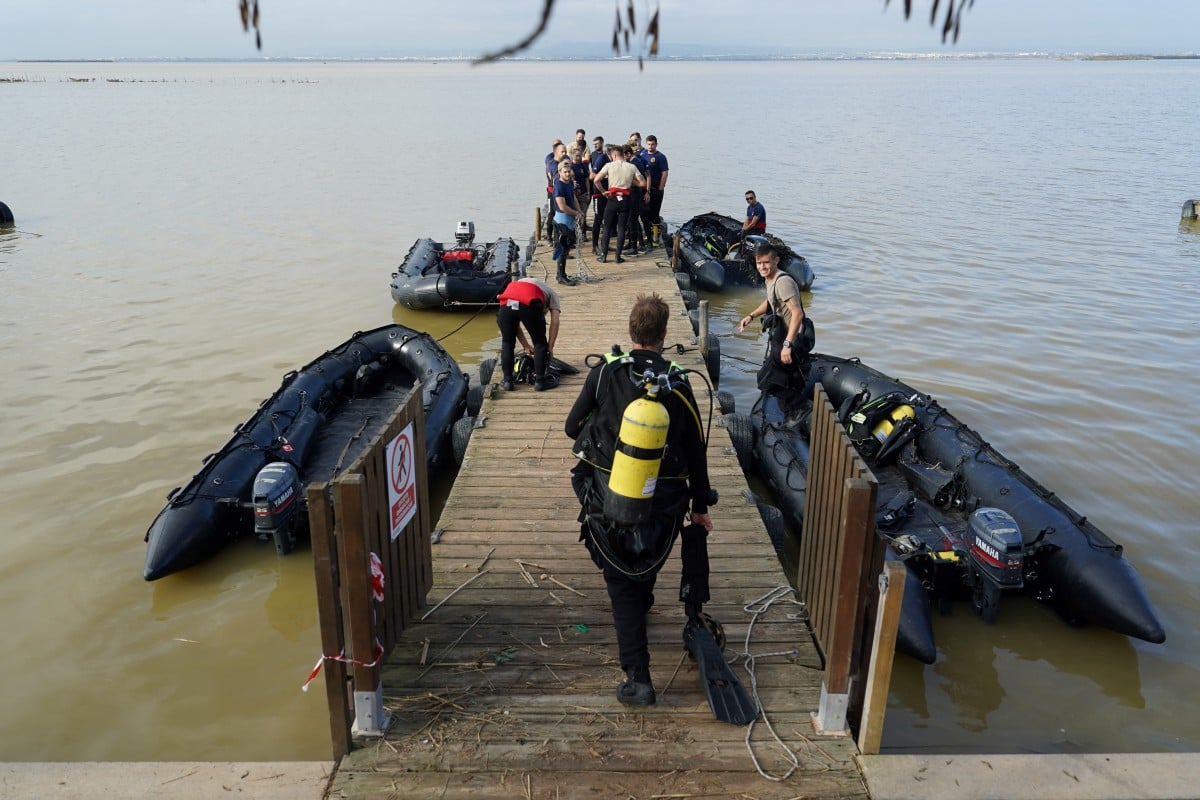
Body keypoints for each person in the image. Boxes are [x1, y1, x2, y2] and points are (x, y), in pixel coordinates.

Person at [565, 293, 714, 706]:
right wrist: (700, 507)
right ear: (664, 335)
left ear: (632, 333)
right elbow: (696, 453)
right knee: (643, 560)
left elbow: (570, 426)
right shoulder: (681, 381)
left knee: (620, 582)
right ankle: (642, 596)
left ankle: (638, 677)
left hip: (608, 497)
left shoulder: (605, 373)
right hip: (663, 502)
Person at [738, 242, 814, 425]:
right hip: (782, 335)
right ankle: (792, 412)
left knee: (765, 379)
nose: (762, 267)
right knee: (784, 376)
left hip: (792, 337)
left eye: (766, 262)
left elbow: (797, 314)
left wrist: (788, 345)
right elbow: (771, 301)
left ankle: (799, 407)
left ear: (776, 261)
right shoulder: (770, 280)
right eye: (759, 263)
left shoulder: (783, 282)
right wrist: (751, 315)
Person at [496, 277, 562, 392]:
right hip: (530, 302)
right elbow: (555, 321)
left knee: (507, 342)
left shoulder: (519, 283)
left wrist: (525, 346)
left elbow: (514, 323)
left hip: (507, 304)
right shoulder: (552, 294)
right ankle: (540, 382)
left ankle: (507, 382)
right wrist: (550, 347)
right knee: (540, 343)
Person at [592, 143, 646, 263]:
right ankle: (617, 257)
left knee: (606, 228)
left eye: (611, 156)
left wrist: (603, 192)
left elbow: (596, 180)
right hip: (626, 200)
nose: (611, 157)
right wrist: (632, 182)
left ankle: (604, 256)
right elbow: (643, 183)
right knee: (621, 228)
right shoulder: (631, 167)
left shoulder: (609, 166)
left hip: (612, 198)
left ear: (615, 155)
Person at [551, 160, 582, 286]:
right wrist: (576, 214)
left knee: (567, 247)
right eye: (565, 172)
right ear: (559, 172)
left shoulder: (569, 183)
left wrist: (579, 211)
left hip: (569, 220)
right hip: (561, 221)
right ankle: (560, 276)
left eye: (569, 171)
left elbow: (573, 198)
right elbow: (562, 206)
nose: (568, 174)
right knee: (562, 248)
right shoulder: (559, 186)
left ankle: (562, 273)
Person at [642, 135, 669, 249]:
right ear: (646, 144)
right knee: (645, 213)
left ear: (656, 144)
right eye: (648, 144)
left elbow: (664, 173)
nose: (650, 146)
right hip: (645, 190)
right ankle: (647, 234)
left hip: (656, 189)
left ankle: (655, 236)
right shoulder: (642, 155)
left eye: (653, 144)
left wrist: (660, 188)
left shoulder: (660, 157)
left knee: (655, 213)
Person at [589, 136, 609, 254]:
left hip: (608, 193)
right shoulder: (600, 158)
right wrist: (605, 176)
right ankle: (594, 246)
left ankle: (604, 244)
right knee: (598, 219)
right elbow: (592, 176)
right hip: (598, 192)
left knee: (607, 219)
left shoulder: (611, 160)